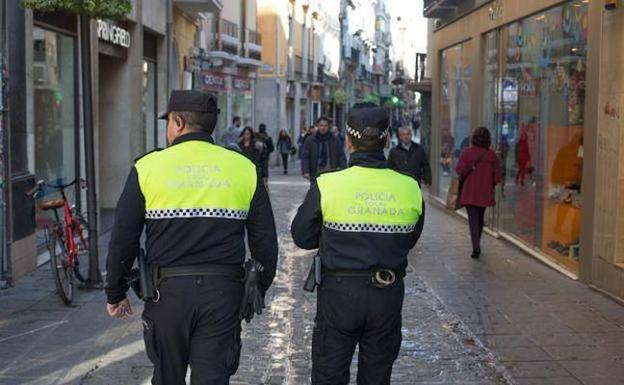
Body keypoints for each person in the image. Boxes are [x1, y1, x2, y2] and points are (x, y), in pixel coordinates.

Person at [105, 90, 278, 385]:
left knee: (167, 377)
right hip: (223, 294)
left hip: (167, 295)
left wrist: (115, 292)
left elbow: (124, 237)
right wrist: (255, 288)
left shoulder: (147, 168)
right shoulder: (243, 168)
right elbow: (266, 243)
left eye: (169, 122)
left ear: (179, 122)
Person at [291, 104, 425, 385]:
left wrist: (333, 237)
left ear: (349, 142)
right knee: (377, 376)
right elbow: (410, 238)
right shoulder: (409, 187)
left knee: (329, 373)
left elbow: (301, 236)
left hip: (339, 293)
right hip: (387, 294)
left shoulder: (328, 184)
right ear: (387, 140)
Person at [455, 126, 502, 259]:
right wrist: (490, 184)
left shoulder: (467, 153)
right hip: (484, 191)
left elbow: (460, 170)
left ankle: (476, 246)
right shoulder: (491, 155)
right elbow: (497, 176)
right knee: (480, 218)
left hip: (470, 191)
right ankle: (477, 242)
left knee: (473, 220)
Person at [301, 117, 347, 183]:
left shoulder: (335, 140)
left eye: (325, 126)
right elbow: (305, 156)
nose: (323, 128)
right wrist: (305, 171)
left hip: (331, 172)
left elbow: (341, 155)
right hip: (315, 172)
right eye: (321, 125)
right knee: (316, 192)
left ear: (328, 127)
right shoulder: (310, 140)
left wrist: (343, 169)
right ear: (318, 126)